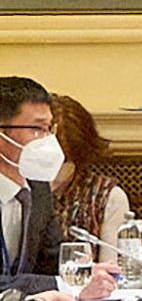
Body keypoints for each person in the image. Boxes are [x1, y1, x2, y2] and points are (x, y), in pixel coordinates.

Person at [0, 75, 112, 301]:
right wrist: (65, 285)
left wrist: (89, 273)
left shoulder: (38, 190)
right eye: (37, 129)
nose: (48, 141)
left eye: (49, 128)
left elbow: (53, 263)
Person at [47, 94, 133, 259]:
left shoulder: (107, 197)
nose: (52, 171)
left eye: (62, 162)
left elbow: (111, 268)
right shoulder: (17, 191)